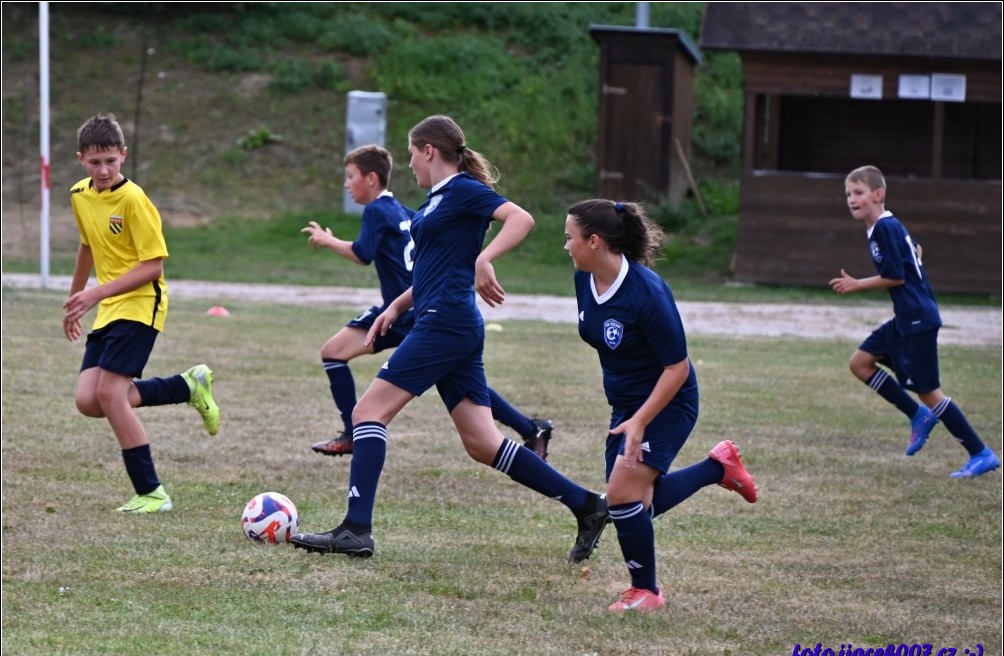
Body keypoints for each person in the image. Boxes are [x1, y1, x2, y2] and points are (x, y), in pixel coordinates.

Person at [290, 115, 608, 561]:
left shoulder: (461, 190)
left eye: (410, 156)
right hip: (444, 320)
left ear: (428, 151)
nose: (410, 165)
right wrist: (397, 305)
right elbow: (435, 268)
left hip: (446, 323)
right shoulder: (435, 201)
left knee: (368, 413)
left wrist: (485, 257)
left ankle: (356, 529)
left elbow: (521, 218)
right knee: (482, 443)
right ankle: (587, 505)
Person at [564, 198, 758, 612]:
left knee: (621, 497)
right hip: (627, 408)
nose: (566, 246)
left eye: (570, 238)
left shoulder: (647, 293)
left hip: (668, 402)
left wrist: (640, 421)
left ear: (594, 241)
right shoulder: (585, 277)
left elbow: (677, 368)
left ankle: (647, 592)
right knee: (633, 504)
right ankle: (717, 467)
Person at [301, 144, 554, 460]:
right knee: (452, 377)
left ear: (371, 178)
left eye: (350, 176)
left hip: (414, 310)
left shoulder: (378, 210)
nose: (346, 183)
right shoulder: (406, 211)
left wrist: (328, 241)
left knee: (336, 355)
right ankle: (531, 429)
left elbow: (362, 254)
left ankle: (354, 434)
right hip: (409, 305)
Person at [63, 113, 220, 514]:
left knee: (110, 395)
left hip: (140, 302)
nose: (103, 170)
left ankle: (152, 491)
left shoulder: (134, 200)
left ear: (123, 156)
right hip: (109, 305)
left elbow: (153, 266)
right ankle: (186, 387)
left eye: (111, 161)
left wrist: (96, 292)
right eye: (95, 162)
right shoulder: (80, 194)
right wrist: (76, 298)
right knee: (88, 400)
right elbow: (86, 247)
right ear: (81, 159)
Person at [829, 165, 999, 478]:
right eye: (848, 194)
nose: (852, 199)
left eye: (859, 192)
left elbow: (895, 275)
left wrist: (856, 284)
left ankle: (980, 453)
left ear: (878, 194)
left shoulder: (883, 227)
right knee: (860, 363)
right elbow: (916, 250)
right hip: (907, 318)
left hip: (918, 318)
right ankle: (918, 416)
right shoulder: (886, 226)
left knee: (930, 392)